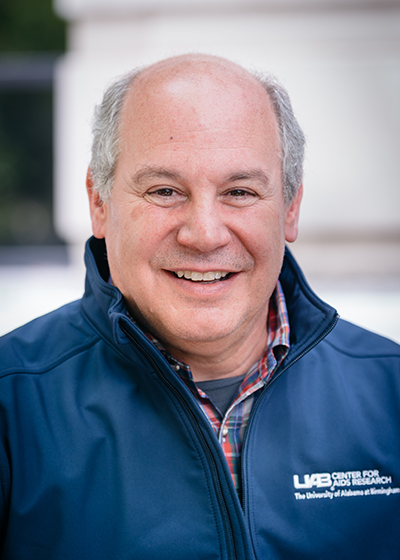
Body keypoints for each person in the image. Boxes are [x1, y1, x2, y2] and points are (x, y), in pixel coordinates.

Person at [0, 54, 399, 559]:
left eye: (239, 191)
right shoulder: (10, 406)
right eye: (165, 191)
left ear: (291, 207)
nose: (205, 234)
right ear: (99, 203)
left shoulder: (392, 393)